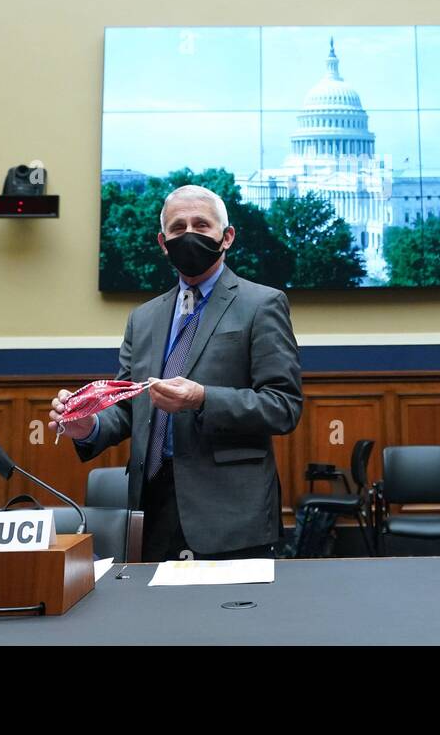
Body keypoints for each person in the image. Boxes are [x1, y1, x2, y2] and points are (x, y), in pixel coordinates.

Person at [51, 184, 303, 561]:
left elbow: (282, 407)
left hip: (230, 514)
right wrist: (88, 426)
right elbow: (128, 405)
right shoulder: (144, 317)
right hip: (151, 509)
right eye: (178, 227)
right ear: (163, 242)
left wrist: (202, 398)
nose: (190, 235)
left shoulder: (262, 304)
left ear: (226, 236)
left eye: (201, 225)